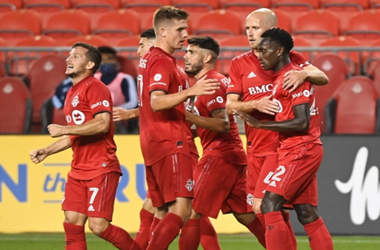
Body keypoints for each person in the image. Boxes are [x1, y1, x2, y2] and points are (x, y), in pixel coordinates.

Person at [226, 8, 329, 249]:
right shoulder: (239, 63)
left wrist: (304, 74)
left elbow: (322, 78)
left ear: (271, 30)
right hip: (258, 147)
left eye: (256, 28)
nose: (250, 34)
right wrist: (255, 104)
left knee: (265, 206)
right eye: (247, 29)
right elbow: (230, 106)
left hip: (284, 148)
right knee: (304, 211)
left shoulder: (293, 62)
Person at [114, 29, 220, 250]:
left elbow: (167, 105)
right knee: (177, 208)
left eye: (142, 45)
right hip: (166, 143)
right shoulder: (160, 68)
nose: (139, 50)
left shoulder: (171, 70)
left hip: (180, 146)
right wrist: (134, 113)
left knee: (180, 209)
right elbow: (157, 104)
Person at [29, 43, 141, 250]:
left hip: (100, 166)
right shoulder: (72, 92)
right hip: (78, 169)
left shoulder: (96, 87)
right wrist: (47, 150)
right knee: (72, 221)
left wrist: (64, 129)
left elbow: (102, 124)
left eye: (76, 56)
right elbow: (76, 133)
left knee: (98, 226)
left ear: (90, 64)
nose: (68, 59)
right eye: (69, 55)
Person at [179, 36, 267, 250]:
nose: (185, 56)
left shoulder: (213, 82)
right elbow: (208, 123)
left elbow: (222, 124)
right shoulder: (206, 83)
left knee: (190, 210)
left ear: (207, 57)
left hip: (220, 155)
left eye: (192, 52)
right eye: (186, 52)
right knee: (245, 215)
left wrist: (188, 117)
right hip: (232, 156)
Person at [52, 45, 138, 133]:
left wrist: (109, 111)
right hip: (94, 117)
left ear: (115, 61)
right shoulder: (92, 79)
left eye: (110, 59)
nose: (107, 62)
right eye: (103, 60)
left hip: (119, 117)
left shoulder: (125, 78)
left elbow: (133, 102)